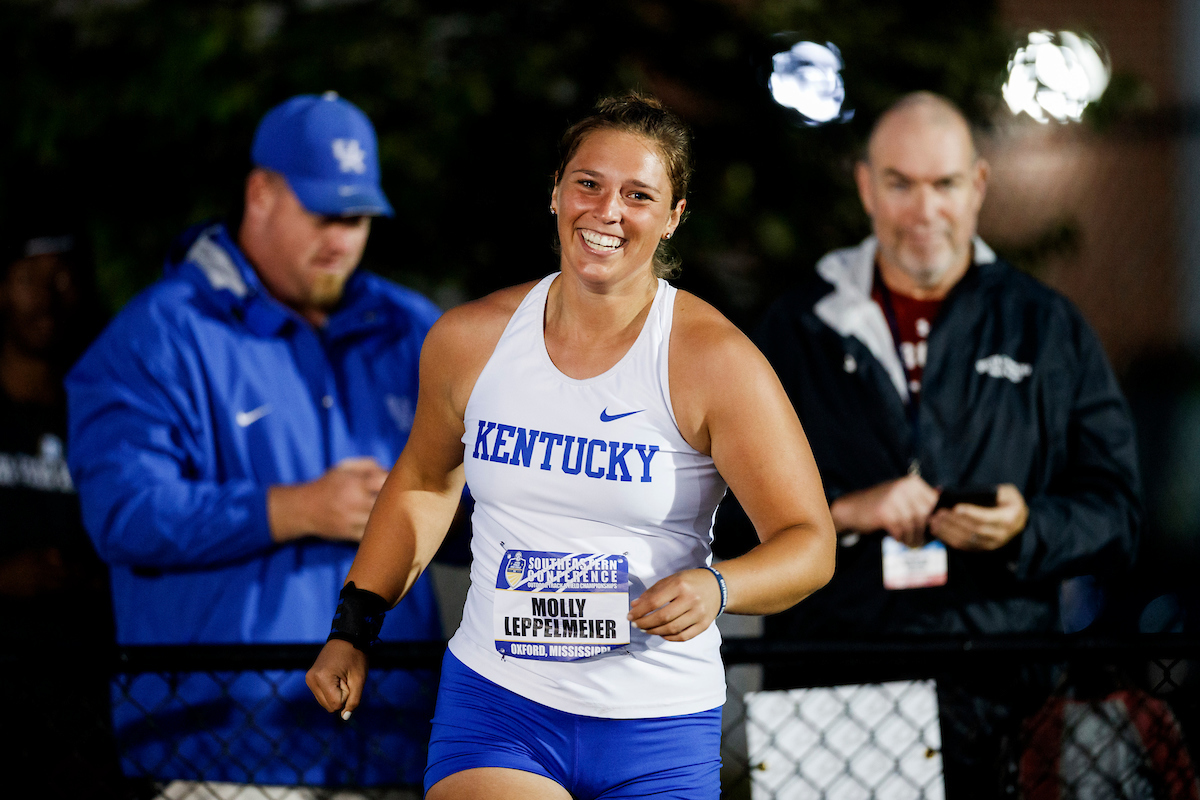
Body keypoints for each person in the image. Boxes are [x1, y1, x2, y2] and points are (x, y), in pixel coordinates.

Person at [306, 93, 837, 800]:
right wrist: (354, 626)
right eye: (588, 183)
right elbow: (424, 484)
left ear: (673, 216)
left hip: (655, 723)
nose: (607, 210)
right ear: (555, 193)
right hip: (499, 703)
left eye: (638, 194)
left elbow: (809, 542)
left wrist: (720, 586)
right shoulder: (471, 340)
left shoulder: (714, 361)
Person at [714, 92, 1141, 796]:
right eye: (900, 184)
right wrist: (844, 513)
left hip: (1000, 695)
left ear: (977, 185)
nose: (923, 210)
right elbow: (724, 514)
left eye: (943, 184)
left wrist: (1025, 527)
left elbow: (1120, 516)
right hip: (832, 690)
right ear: (865, 187)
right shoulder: (797, 329)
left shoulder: (1045, 327)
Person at [66, 93, 443, 788]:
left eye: (357, 217)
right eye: (323, 212)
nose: (342, 236)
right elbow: (121, 513)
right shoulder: (160, 334)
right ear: (261, 192)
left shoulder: (414, 329)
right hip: (227, 755)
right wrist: (292, 508)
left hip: (394, 743)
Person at [0, 226, 120, 798]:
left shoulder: (111, 414)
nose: (48, 297)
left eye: (63, 278)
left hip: (89, 699)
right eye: (29, 279)